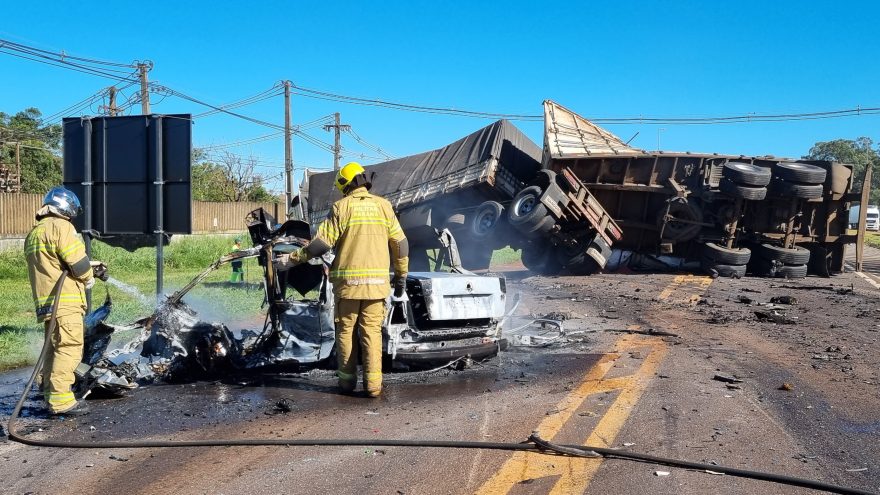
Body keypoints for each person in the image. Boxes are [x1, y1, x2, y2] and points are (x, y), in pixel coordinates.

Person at [275, 162, 408, 397]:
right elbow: (401, 244)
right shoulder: (384, 206)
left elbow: (321, 245)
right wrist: (401, 278)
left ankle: (347, 384)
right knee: (372, 333)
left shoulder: (341, 207)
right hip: (377, 288)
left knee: (346, 332)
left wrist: (291, 260)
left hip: (348, 288)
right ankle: (373, 387)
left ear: (345, 185)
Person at [24, 186, 107, 416]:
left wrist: (91, 265)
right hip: (66, 302)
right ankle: (62, 402)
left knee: (53, 349)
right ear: (66, 207)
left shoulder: (36, 232)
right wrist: (89, 277)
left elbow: (55, 264)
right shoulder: (61, 226)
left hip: (47, 303)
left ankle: (50, 394)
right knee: (69, 348)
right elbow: (77, 263)